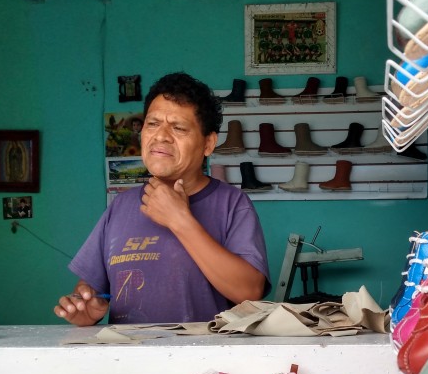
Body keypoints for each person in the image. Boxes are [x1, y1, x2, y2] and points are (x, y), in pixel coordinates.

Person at [54, 72, 270, 326]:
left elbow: (249, 292)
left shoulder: (232, 204)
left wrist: (179, 219)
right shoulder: (121, 206)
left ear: (208, 143)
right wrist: (85, 308)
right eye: (152, 124)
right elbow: (91, 287)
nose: (161, 136)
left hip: (204, 361)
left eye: (178, 127)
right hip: (130, 359)